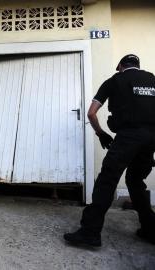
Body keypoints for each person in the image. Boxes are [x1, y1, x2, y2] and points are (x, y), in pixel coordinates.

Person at [64, 54, 155, 247]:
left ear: (121, 66)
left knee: (107, 180)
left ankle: (89, 232)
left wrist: (101, 134)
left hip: (127, 136)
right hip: (151, 139)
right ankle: (150, 229)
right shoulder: (152, 79)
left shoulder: (114, 81)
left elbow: (91, 113)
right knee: (135, 181)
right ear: (138, 66)